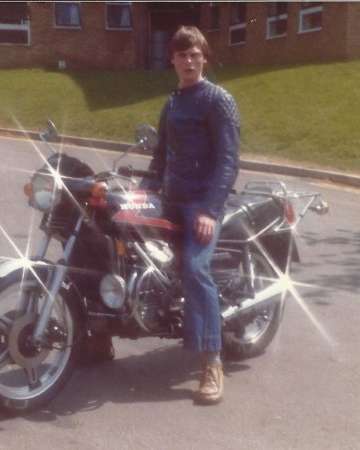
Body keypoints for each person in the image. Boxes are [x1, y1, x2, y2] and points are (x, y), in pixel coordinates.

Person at [143, 26, 240, 404]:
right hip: (170, 200)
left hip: (201, 204)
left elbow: (229, 161)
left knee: (196, 269)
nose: (188, 61)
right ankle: (99, 338)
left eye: (194, 54)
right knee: (124, 244)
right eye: (181, 55)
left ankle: (212, 362)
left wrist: (210, 211)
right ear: (172, 59)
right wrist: (144, 188)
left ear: (204, 58)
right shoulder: (172, 103)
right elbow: (161, 156)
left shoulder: (217, 100)